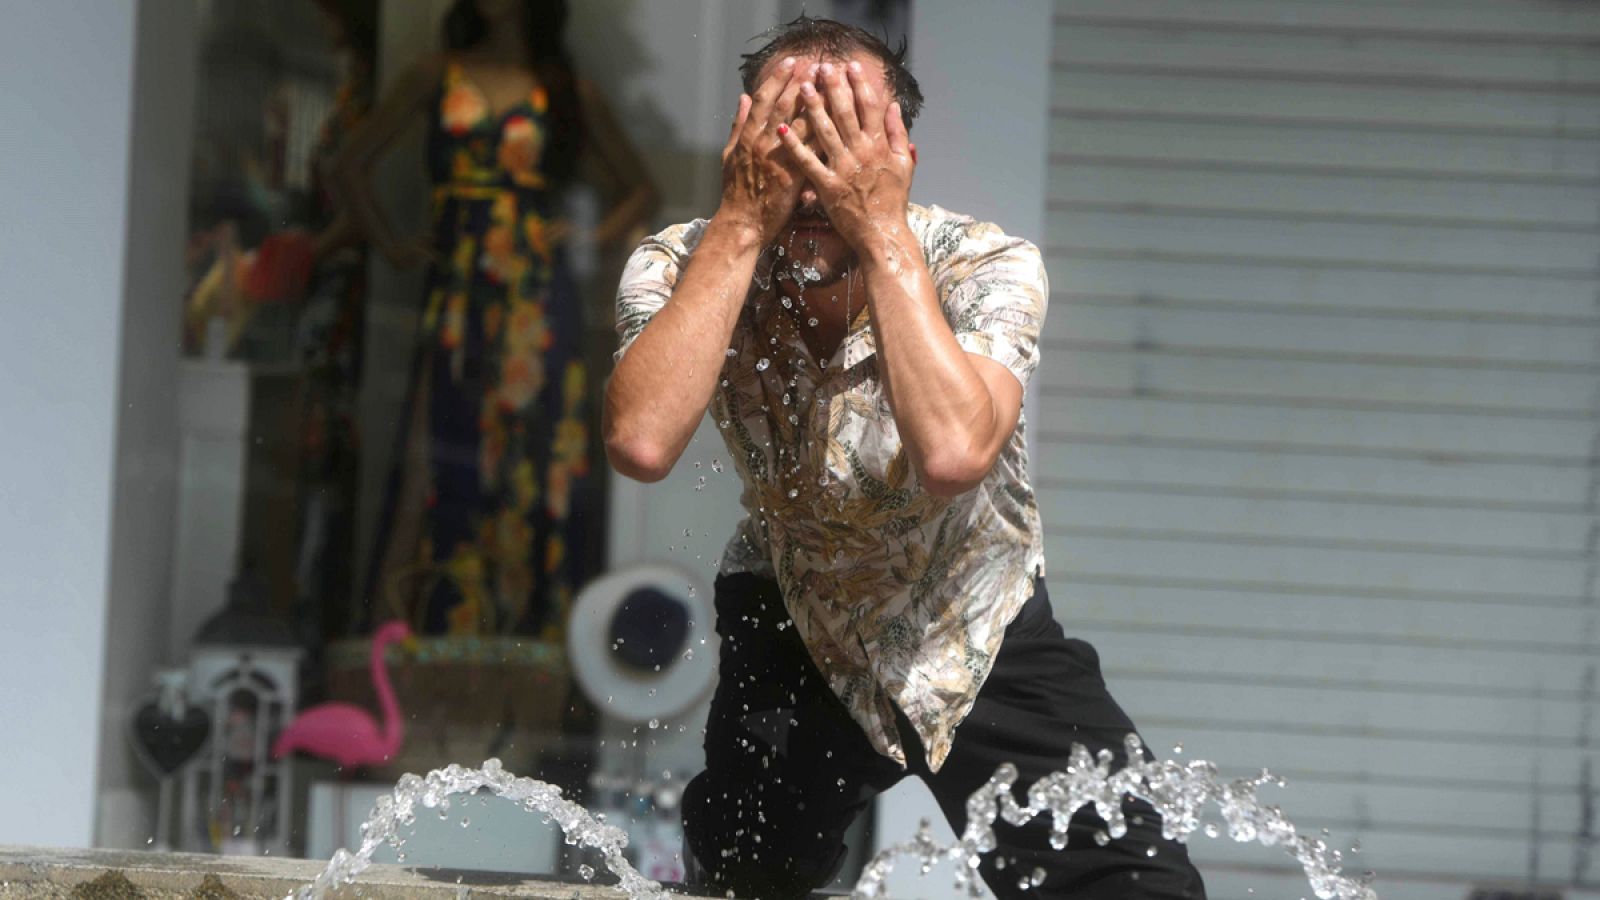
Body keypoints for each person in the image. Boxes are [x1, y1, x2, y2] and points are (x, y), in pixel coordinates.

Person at [604, 16, 1208, 900]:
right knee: (742, 883)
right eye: (793, 138)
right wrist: (738, 223)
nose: (816, 178)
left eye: (847, 139)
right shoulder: (681, 263)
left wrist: (880, 232)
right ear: (745, 144)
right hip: (794, 613)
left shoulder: (985, 264)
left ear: (899, 155)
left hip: (971, 615)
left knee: (1135, 883)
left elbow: (956, 450)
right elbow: (643, 441)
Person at [334, 0, 659, 637]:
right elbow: (348, 166)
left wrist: (588, 236)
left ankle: (530, 657)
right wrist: (395, 245)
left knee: (539, 461)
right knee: (438, 452)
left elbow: (640, 188)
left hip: (538, 297)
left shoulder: (564, 90)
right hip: (458, 293)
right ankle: (413, 647)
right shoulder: (436, 74)